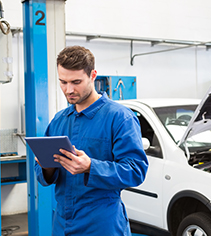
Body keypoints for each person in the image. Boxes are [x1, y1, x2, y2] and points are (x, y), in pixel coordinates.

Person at [34, 45, 149, 235]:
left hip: (102, 223)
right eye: (63, 82)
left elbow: (136, 170)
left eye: (76, 81)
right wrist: (46, 166)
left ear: (93, 75)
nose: (68, 89)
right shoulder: (59, 120)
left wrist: (90, 166)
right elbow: (43, 175)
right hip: (62, 223)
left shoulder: (119, 117)